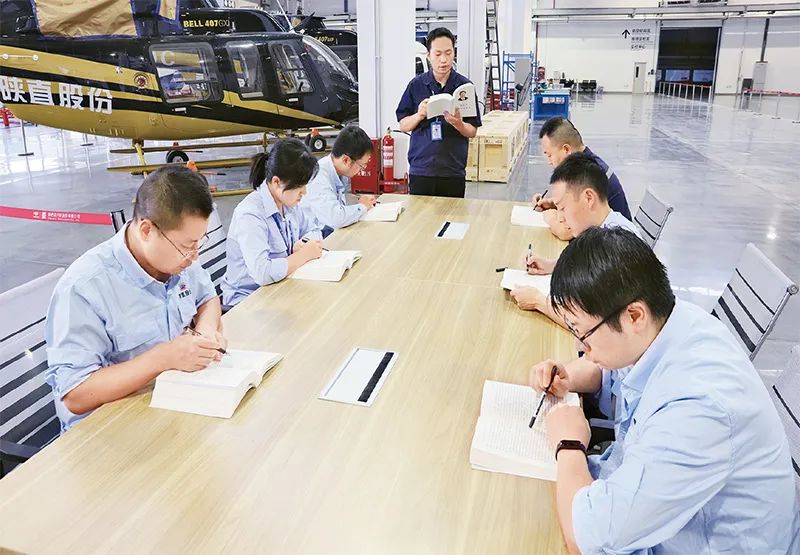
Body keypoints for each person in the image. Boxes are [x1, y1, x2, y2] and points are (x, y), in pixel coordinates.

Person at [527, 226, 799, 554]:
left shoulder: (697, 408)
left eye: (583, 333)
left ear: (634, 316)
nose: (579, 346)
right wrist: (569, 376)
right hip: (656, 512)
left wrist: (569, 444)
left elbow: (588, 539)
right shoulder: (670, 323)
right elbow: (614, 372)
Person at [45, 166, 225, 431]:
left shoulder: (178, 261)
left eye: (199, 243)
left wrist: (206, 334)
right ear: (146, 230)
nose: (194, 256)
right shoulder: (85, 287)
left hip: (172, 407)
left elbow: (207, 298)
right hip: (109, 432)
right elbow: (75, 394)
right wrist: (162, 359)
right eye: (187, 246)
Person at [511, 152, 640, 321]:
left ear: (588, 198)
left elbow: (592, 322)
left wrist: (538, 301)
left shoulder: (616, 245)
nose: (560, 218)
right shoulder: (602, 228)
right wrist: (551, 266)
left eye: (563, 208)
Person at [221, 139, 323, 307]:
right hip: (247, 300)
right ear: (277, 182)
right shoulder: (250, 214)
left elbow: (314, 229)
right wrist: (303, 255)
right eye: (299, 186)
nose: (304, 192)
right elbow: (262, 273)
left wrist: (304, 242)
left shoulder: (288, 202)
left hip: (281, 286)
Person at [395, 27, 482, 198]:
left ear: (454, 53)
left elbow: (472, 131)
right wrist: (419, 114)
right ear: (429, 55)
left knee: (452, 215)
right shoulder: (416, 85)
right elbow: (403, 125)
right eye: (438, 54)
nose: (444, 59)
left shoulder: (465, 87)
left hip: (452, 171)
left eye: (448, 53)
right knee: (420, 215)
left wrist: (458, 123)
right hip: (421, 170)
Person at [532, 117, 631, 240]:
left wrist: (551, 220)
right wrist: (556, 203)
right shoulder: (587, 162)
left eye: (550, 155)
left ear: (566, 149)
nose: (549, 162)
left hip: (614, 243)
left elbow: (567, 232)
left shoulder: (586, 172)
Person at [303, 125, 377, 237]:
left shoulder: (339, 172)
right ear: (346, 160)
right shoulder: (319, 176)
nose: (361, 170)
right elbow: (335, 219)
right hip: (314, 237)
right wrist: (362, 206)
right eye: (362, 166)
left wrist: (360, 202)